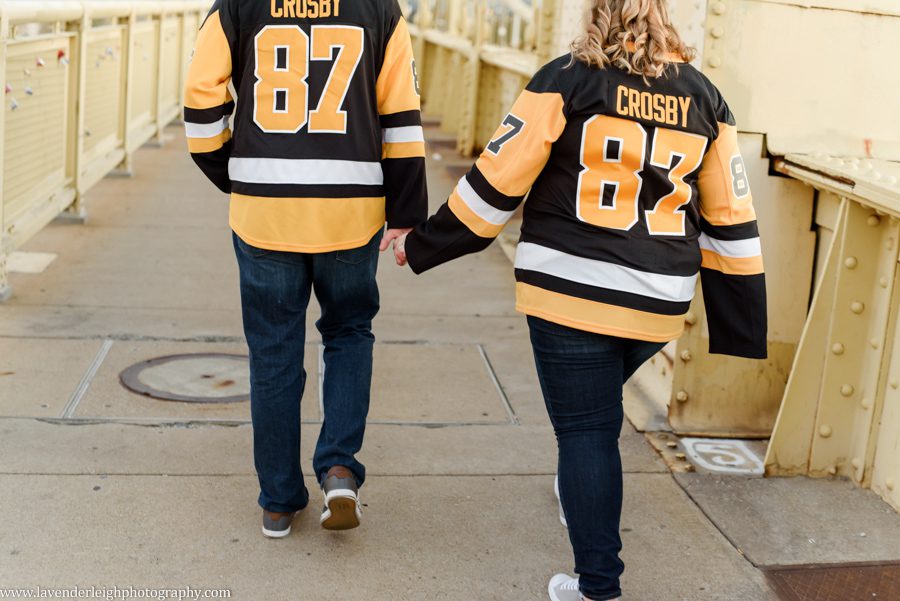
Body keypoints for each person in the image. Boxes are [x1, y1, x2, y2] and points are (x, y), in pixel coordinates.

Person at [394, 0, 767, 598]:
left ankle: (597, 585)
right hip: (657, 301)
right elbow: (732, 218)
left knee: (587, 431)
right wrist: (741, 320)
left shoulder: (565, 79)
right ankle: (581, 492)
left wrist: (422, 244)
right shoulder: (707, 99)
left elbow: (496, 183)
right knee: (592, 418)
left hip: (569, 290)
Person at [183, 0, 426, 537]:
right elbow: (401, 116)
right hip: (351, 210)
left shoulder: (237, 5)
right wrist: (407, 212)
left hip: (265, 211)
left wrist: (236, 174)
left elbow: (200, 104)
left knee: (273, 351)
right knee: (348, 333)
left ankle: (278, 501)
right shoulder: (381, 9)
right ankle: (339, 469)